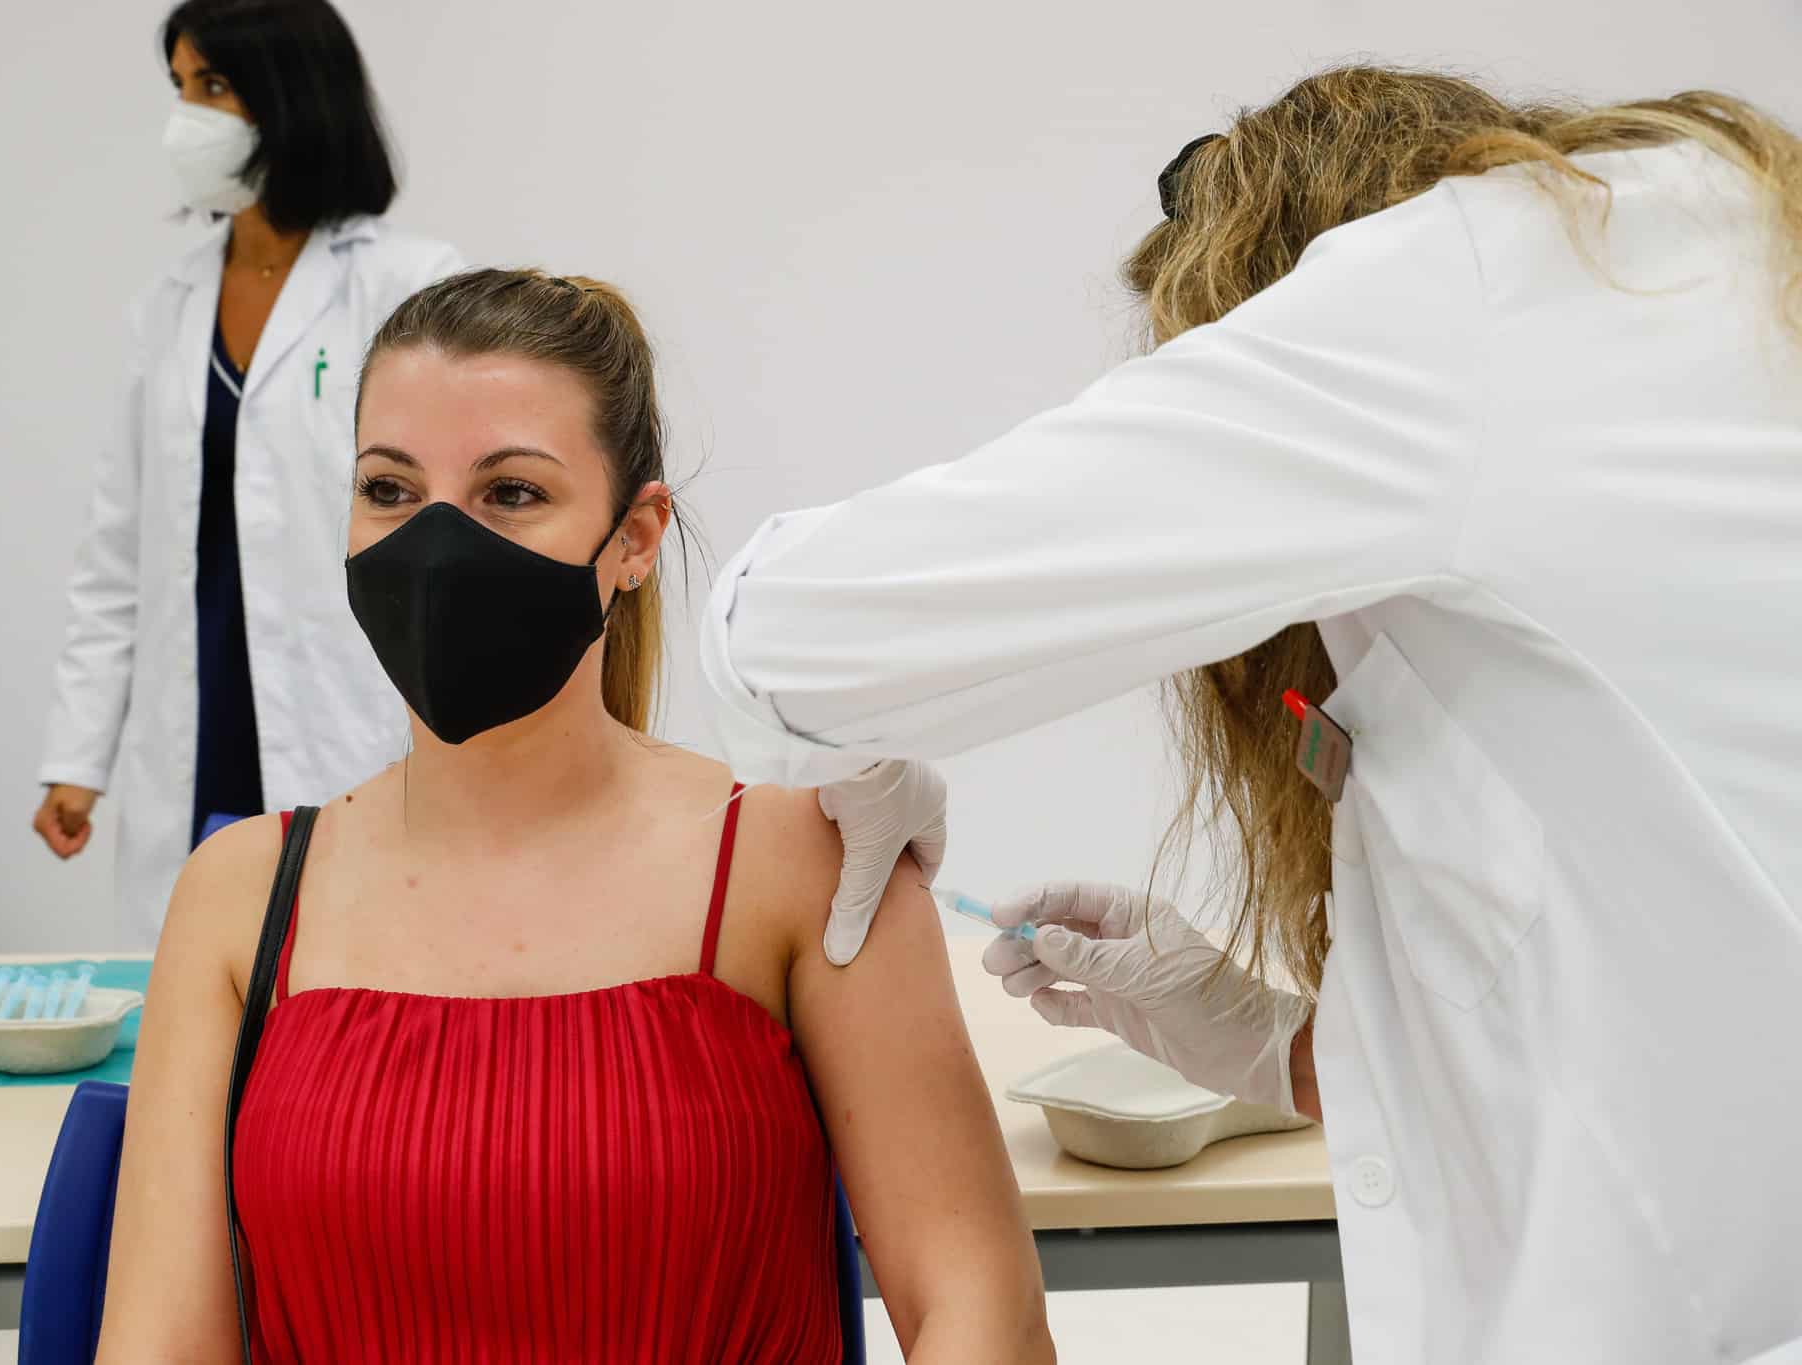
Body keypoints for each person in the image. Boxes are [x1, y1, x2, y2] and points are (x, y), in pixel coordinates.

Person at [700, 67, 1802, 1365]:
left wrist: (843, 738)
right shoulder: (1695, 276)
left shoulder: (1439, 299)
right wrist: (1277, 1045)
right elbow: (1665, 995)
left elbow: (792, 630)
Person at [94, 269, 1052, 1363]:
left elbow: (981, 1310)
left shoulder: (797, 859)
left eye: (510, 493)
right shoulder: (242, 893)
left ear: (635, 538)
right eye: (389, 491)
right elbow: (159, 1348)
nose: (435, 549)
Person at [34, 0, 467, 948]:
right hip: (195, 708)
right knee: (205, 982)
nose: (186, 117)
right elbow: (118, 549)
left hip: (345, 701)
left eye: (213, 87)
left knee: (354, 977)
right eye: (180, 88)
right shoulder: (166, 307)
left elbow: (452, 530)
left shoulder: (401, 283)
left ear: (289, 98)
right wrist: (79, 755)